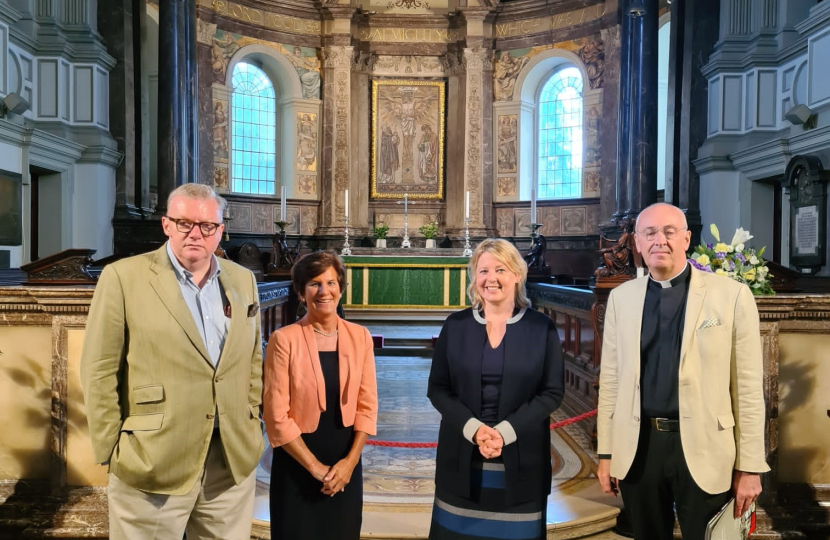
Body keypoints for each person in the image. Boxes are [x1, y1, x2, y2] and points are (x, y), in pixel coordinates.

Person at [80, 184, 264, 540]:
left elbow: (252, 359)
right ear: (166, 225)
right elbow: (99, 369)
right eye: (184, 223)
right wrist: (112, 450)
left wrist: (251, 421)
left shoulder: (242, 281)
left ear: (220, 230)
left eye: (207, 226)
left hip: (229, 460)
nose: (195, 233)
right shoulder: (123, 278)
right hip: (152, 459)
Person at [597, 203, 768, 540]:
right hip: (640, 447)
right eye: (650, 233)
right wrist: (606, 453)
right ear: (638, 243)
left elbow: (747, 388)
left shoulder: (731, 295)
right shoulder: (621, 298)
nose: (660, 240)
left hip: (707, 447)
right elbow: (612, 380)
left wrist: (749, 466)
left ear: (687, 239)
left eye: (669, 231)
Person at [427, 238, 565, 540]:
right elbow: (437, 389)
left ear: (517, 274)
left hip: (522, 459)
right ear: (475, 278)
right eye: (483, 270)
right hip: (462, 457)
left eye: (500, 269)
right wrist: (475, 429)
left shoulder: (541, 328)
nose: (491, 279)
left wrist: (504, 432)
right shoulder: (456, 325)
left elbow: (552, 392)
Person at [263, 251, 378, 540]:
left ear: (341, 288)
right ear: (301, 292)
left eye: (331, 283)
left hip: (344, 465)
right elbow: (276, 416)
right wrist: (316, 469)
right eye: (314, 284)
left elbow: (367, 406)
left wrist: (349, 464)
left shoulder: (360, 336)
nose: (324, 291)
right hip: (297, 463)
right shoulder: (283, 339)